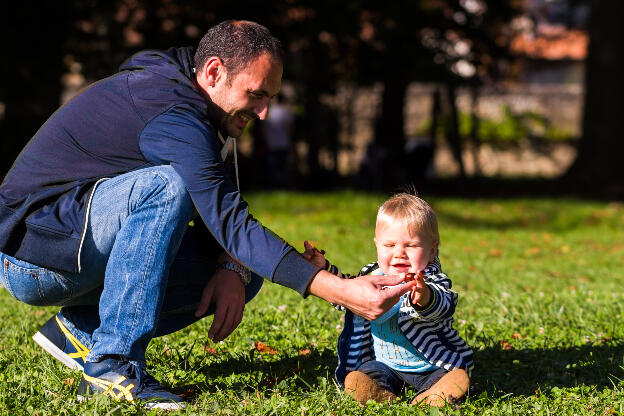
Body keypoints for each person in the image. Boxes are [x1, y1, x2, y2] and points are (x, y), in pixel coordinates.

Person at [0, 20, 418, 409]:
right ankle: (111, 365)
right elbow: (230, 223)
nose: (264, 113)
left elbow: (224, 216)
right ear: (214, 71)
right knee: (167, 187)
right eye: (256, 95)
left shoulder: (199, 96)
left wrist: (233, 266)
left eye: (271, 98)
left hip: (76, 241)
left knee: (238, 270)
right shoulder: (174, 114)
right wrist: (342, 292)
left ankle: (81, 331)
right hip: (35, 254)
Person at [304, 193, 473, 407]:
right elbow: (347, 293)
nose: (399, 253)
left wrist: (426, 297)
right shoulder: (373, 277)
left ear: (432, 250)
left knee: (445, 376)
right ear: (377, 245)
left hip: (429, 364)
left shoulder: (430, 280)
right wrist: (324, 269)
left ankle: (434, 394)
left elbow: (445, 304)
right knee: (369, 372)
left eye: (410, 246)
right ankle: (378, 392)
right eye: (389, 245)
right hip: (387, 365)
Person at [260, 92, 294, 188]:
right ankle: (283, 186)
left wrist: (266, 140)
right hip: (284, 144)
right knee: (283, 168)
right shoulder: (285, 112)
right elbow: (290, 129)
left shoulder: (268, 112)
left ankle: (272, 187)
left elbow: (263, 129)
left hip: (271, 144)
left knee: (272, 168)